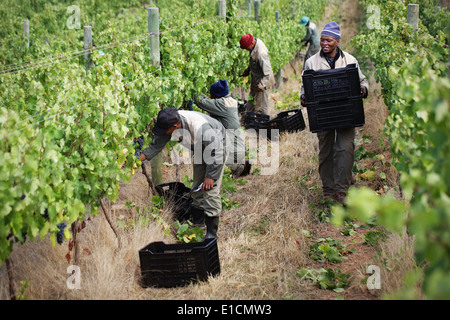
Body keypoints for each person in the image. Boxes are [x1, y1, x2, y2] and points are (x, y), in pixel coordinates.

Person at [300, 21, 369, 204]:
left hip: (346, 112)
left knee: (345, 149)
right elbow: (304, 87)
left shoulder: (350, 60)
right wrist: (304, 97)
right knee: (326, 151)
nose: (324, 43)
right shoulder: (311, 62)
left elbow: (362, 81)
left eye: (328, 40)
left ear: (337, 41)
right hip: (323, 114)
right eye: (322, 40)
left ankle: (342, 190)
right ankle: (328, 189)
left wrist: (363, 89)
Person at [139, 107, 227, 238]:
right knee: (197, 186)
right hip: (199, 148)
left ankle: (211, 235)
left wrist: (210, 176)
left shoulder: (200, 128)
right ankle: (198, 226)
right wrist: (134, 161)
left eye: (165, 130)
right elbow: (156, 145)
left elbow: (218, 152)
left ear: (175, 126)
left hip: (217, 148)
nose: (164, 133)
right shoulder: (170, 121)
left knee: (209, 189)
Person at [193, 79, 247, 178]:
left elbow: (200, 102)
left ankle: (234, 166)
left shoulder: (221, 104)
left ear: (217, 95)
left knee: (212, 159)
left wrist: (193, 89)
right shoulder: (230, 101)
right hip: (238, 149)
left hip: (232, 152)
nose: (210, 96)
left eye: (211, 94)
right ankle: (236, 164)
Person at [239, 34, 276, 115]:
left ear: (252, 44)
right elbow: (255, 60)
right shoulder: (254, 46)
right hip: (256, 80)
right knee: (251, 102)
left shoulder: (261, 53)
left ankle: (262, 124)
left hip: (263, 82)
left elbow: (267, 73)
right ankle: (249, 121)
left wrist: (261, 85)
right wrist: (248, 69)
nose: (246, 50)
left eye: (246, 48)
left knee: (261, 107)